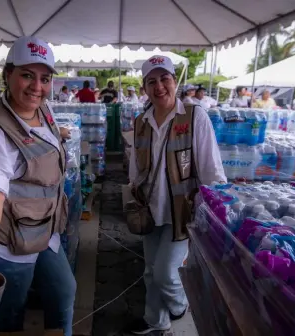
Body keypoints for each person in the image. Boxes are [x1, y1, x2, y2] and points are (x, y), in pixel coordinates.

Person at [0, 36, 76, 335]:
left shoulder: (42, 110)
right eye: (27, 75)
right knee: (10, 315)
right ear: (8, 74)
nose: (37, 86)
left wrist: (58, 134)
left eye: (44, 78)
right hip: (6, 243)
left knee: (63, 292)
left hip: (42, 229)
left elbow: (35, 139)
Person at [127, 55, 226, 334]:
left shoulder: (195, 117)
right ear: (145, 87)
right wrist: (134, 189)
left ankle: (181, 307)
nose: (159, 86)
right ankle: (155, 321)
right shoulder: (141, 122)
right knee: (150, 271)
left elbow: (212, 168)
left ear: (175, 82)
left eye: (164, 79)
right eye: (151, 81)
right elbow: (136, 166)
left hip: (182, 212)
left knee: (166, 273)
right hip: (150, 208)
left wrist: (213, 214)